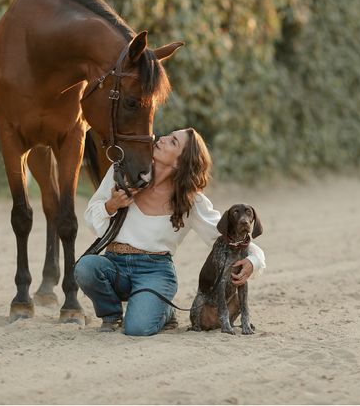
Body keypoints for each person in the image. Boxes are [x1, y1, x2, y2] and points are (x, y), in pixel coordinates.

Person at [75, 128, 266, 336]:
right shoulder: (123, 171)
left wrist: (255, 261)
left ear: (180, 162)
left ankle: (165, 311)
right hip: (115, 263)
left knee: (137, 328)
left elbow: (222, 236)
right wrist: (111, 205)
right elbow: (92, 220)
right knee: (86, 267)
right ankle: (111, 315)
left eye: (173, 141)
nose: (162, 138)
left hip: (155, 271)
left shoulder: (191, 200)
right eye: (168, 135)